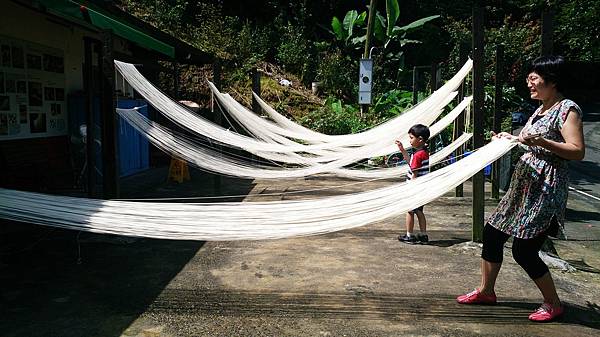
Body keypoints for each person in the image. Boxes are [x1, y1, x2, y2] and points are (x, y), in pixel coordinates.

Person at [456, 55, 585, 322]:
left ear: (552, 80)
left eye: (534, 79)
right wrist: (512, 139)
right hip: (522, 188)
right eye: (529, 79)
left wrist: (542, 142)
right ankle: (486, 291)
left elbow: (576, 151)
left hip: (544, 190)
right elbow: (531, 141)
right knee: (492, 234)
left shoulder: (567, 110)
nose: (530, 84)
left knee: (523, 250)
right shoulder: (540, 109)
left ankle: (553, 303)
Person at [395, 124, 430, 244]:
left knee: (409, 211)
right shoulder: (423, 152)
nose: (410, 140)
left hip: (415, 188)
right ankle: (423, 235)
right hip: (423, 188)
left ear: (420, 139)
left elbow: (414, 173)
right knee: (419, 211)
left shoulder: (417, 155)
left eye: (411, 138)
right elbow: (410, 162)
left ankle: (409, 235)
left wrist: (411, 189)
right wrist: (402, 150)